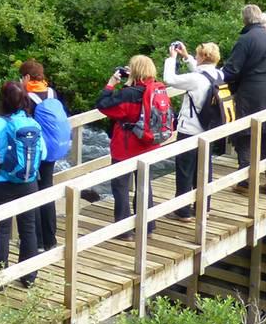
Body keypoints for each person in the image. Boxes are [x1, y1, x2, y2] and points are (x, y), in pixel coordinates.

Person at [0, 81, 46, 282]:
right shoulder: (32, 123)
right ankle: (29, 276)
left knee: (2, 230)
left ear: (4, 100)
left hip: (2, 183)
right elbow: (43, 154)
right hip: (29, 182)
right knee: (29, 228)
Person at [96, 55, 167, 237]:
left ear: (134, 71)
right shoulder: (158, 89)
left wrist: (112, 83)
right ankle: (147, 226)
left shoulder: (128, 94)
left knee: (120, 186)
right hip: (149, 144)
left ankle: (123, 230)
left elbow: (104, 105)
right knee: (144, 185)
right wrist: (129, 82)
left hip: (127, 146)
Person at [222, 4, 266, 196]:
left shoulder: (245, 39)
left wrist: (216, 77)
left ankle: (246, 182)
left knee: (245, 136)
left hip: (252, 93)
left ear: (245, 19)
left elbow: (232, 69)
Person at [164, 41, 224, 219]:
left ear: (203, 57)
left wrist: (172, 58)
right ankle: (203, 207)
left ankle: (183, 211)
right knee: (205, 169)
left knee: (185, 170)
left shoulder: (195, 79)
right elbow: (201, 73)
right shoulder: (220, 74)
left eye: (197, 55)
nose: (196, 57)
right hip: (210, 128)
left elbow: (169, 79)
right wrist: (186, 56)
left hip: (190, 130)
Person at [19, 60, 72, 250]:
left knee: (34, 192)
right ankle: (51, 240)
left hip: (36, 151)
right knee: (47, 189)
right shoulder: (51, 93)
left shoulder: (26, 96)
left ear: (26, 77)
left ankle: (39, 241)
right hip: (54, 148)